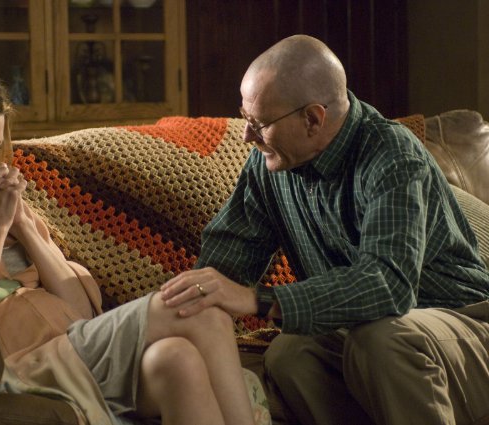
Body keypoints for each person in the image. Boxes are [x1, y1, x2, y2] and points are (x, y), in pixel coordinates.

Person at [0, 70, 258, 425]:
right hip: (20, 364)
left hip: (74, 344)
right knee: (202, 311)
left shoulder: (5, 209)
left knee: (177, 359)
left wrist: (22, 225)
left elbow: (79, 309)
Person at [160, 34, 489, 425]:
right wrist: (178, 312)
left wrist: (259, 300)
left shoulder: (392, 155)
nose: (247, 136)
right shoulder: (269, 165)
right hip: (369, 334)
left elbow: (387, 286)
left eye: (258, 123)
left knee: (381, 340)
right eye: (245, 118)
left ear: (313, 119)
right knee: (290, 354)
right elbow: (224, 262)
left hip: (464, 326)